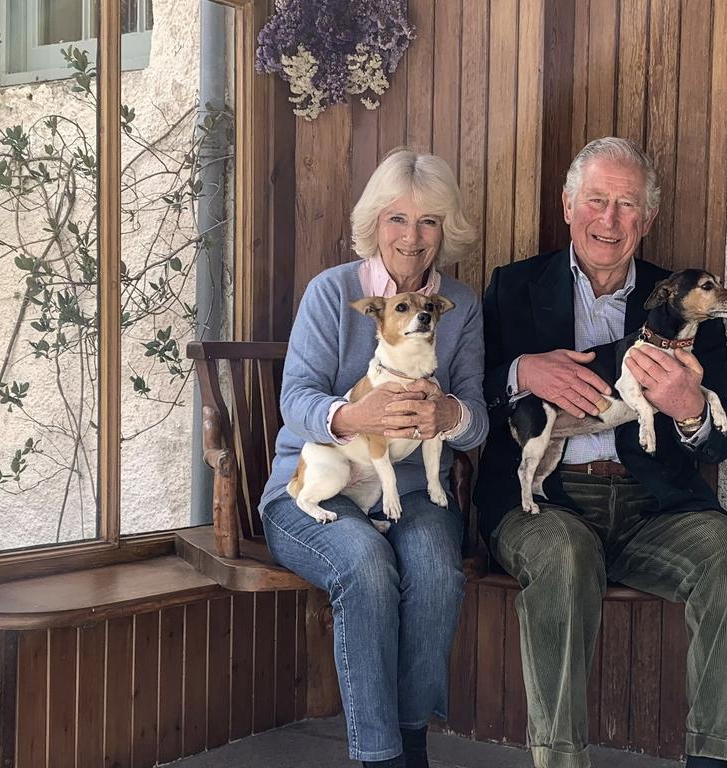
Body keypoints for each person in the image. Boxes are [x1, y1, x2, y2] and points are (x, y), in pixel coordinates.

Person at [475, 137, 727, 768]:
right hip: (547, 503)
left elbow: (723, 438)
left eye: (627, 205)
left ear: (648, 218)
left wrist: (691, 410)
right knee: (561, 555)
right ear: (567, 206)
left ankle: (710, 760)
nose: (609, 220)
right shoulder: (513, 287)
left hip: (654, 506)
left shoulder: (683, 304)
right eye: (597, 201)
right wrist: (521, 372)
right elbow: (465, 398)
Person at [259, 149, 489, 768]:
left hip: (412, 490)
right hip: (315, 485)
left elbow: (476, 420)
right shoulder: (332, 293)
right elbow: (295, 398)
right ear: (375, 224)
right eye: (397, 219)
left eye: (429, 222)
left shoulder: (460, 305)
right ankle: (380, 756)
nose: (412, 238)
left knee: (438, 568)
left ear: (447, 230)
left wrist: (453, 417)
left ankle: (411, 736)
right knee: (362, 565)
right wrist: (349, 417)